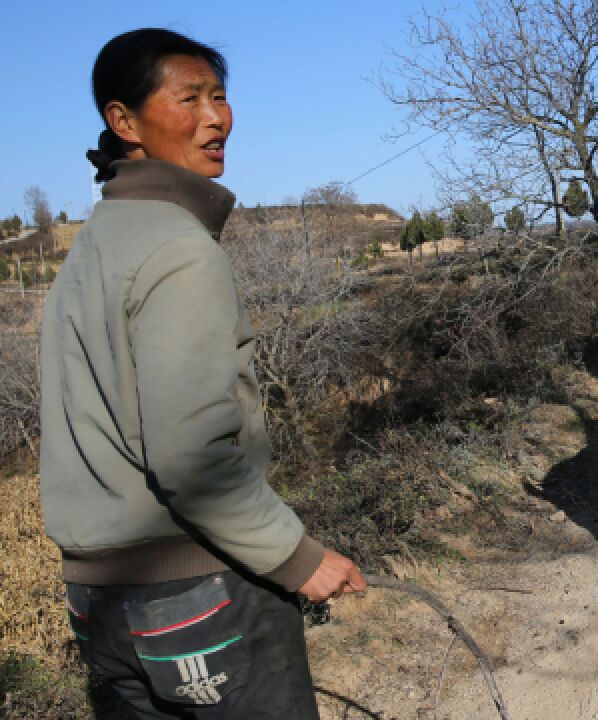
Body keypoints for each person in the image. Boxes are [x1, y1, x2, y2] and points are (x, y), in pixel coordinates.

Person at [40, 28, 366, 717]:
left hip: (99, 606)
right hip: (198, 594)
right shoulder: (179, 249)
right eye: (189, 98)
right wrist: (299, 559)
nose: (216, 117)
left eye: (219, 96)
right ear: (122, 121)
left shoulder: (93, 245)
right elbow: (192, 459)